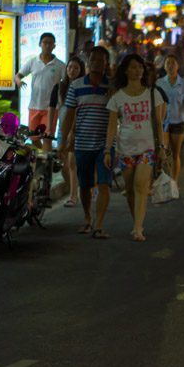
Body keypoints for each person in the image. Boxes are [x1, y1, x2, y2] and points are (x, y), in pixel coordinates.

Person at [104, 54, 167, 242]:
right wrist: (108, 150)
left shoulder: (152, 93)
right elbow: (112, 126)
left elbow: (158, 122)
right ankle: (137, 221)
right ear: (125, 70)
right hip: (126, 149)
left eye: (140, 67)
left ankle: (138, 228)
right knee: (130, 190)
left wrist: (161, 146)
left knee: (141, 185)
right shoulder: (118, 97)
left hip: (147, 148)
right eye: (133, 67)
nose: (137, 71)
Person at [61, 47, 112, 238]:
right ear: (88, 62)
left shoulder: (112, 86)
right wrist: (64, 141)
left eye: (101, 60)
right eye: (93, 60)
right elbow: (68, 115)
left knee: (104, 183)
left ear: (106, 63)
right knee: (85, 184)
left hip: (105, 144)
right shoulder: (76, 85)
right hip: (82, 142)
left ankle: (98, 225)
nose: (97, 63)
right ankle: (87, 218)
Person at [16, 32, 66, 150]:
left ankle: (45, 165)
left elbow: (66, 84)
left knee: (47, 138)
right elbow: (18, 75)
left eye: (50, 43)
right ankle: (42, 159)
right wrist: (18, 81)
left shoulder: (60, 65)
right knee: (33, 138)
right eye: (45, 43)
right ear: (40, 44)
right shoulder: (33, 61)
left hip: (51, 109)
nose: (47, 45)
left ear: (54, 46)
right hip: (34, 106)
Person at [155, 54, 184, 183]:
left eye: (173, 63)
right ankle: (161, 179)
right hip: (163, 123)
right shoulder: (159, 83)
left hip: (178, 122)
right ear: (164, 66)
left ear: (178, 66)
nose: (170, 65)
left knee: (175, 154)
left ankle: (174, 182)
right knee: (163, 153)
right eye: (168, 63)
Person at [51, 57, 86, 207]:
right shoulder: (60, 87)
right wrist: (49, 127)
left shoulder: (83, 87)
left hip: (79, 128)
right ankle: (74, 189)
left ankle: (74, 195)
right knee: (64, 162)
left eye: (76, 68)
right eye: (70, 67)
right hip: (62, 129)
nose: (72, 70)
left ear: (81, 70)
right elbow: (52, 107)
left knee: (73, 162)